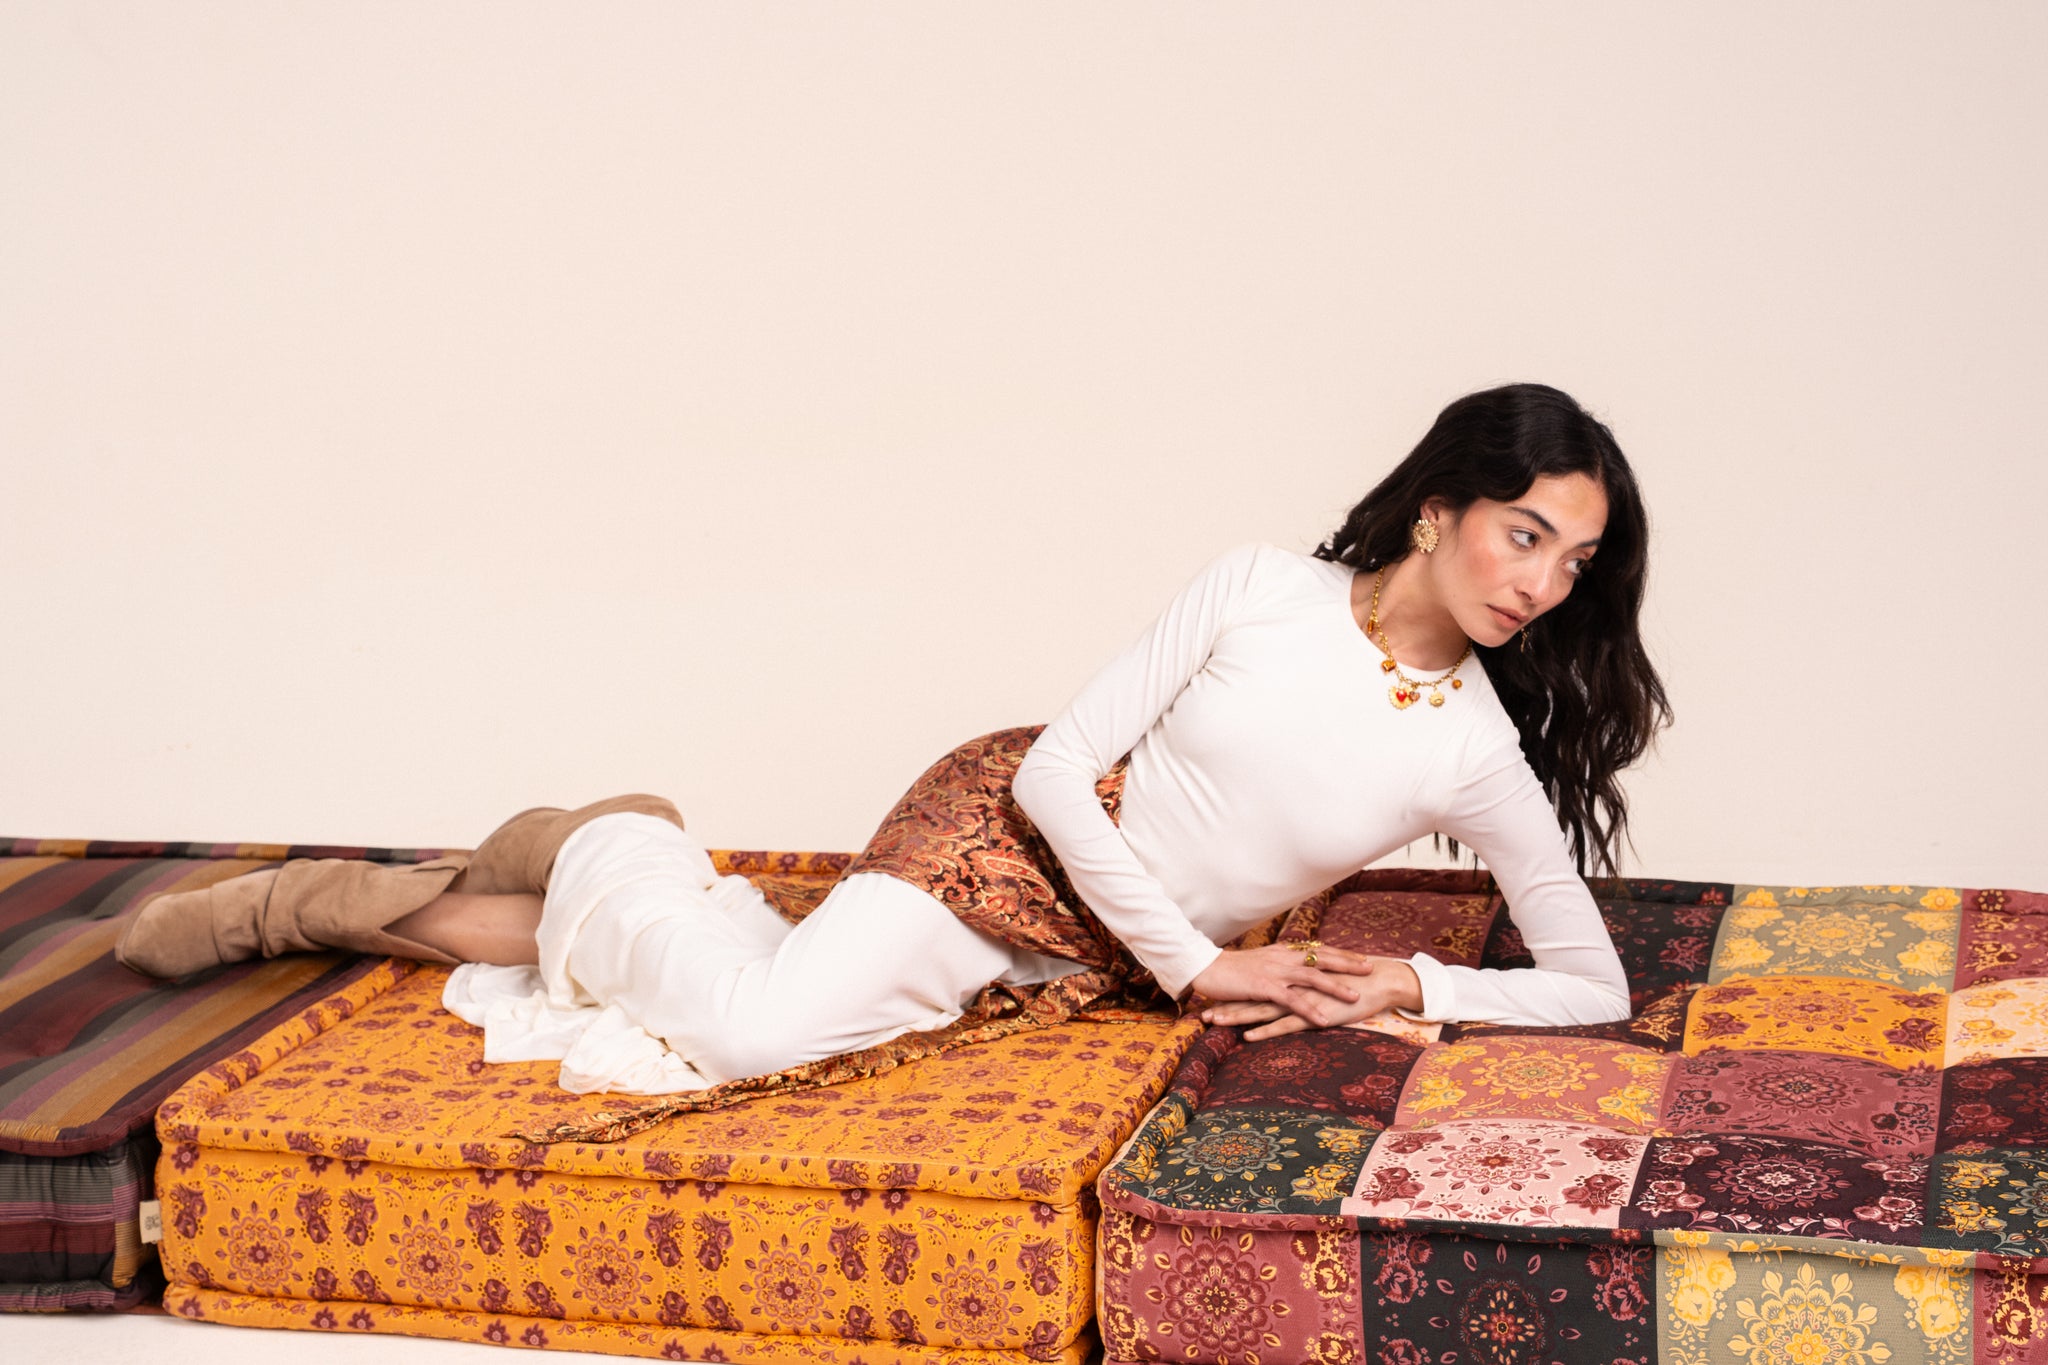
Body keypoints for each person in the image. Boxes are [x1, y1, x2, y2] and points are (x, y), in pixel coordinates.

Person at [115, 382, 1668, 1094]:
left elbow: (1591, 985)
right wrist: (1199, 965)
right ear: (1438, 508)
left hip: (1105, 959)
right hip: (1006, 839)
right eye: (1523, 533)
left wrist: (1415, 983)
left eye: (1573, 562)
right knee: (754, 1036)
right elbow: (1055, 771)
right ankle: (605, 839)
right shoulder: (1264, 589)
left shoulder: (1473, 749)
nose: (1540, 585)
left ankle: (406, 891)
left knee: (734, 989)